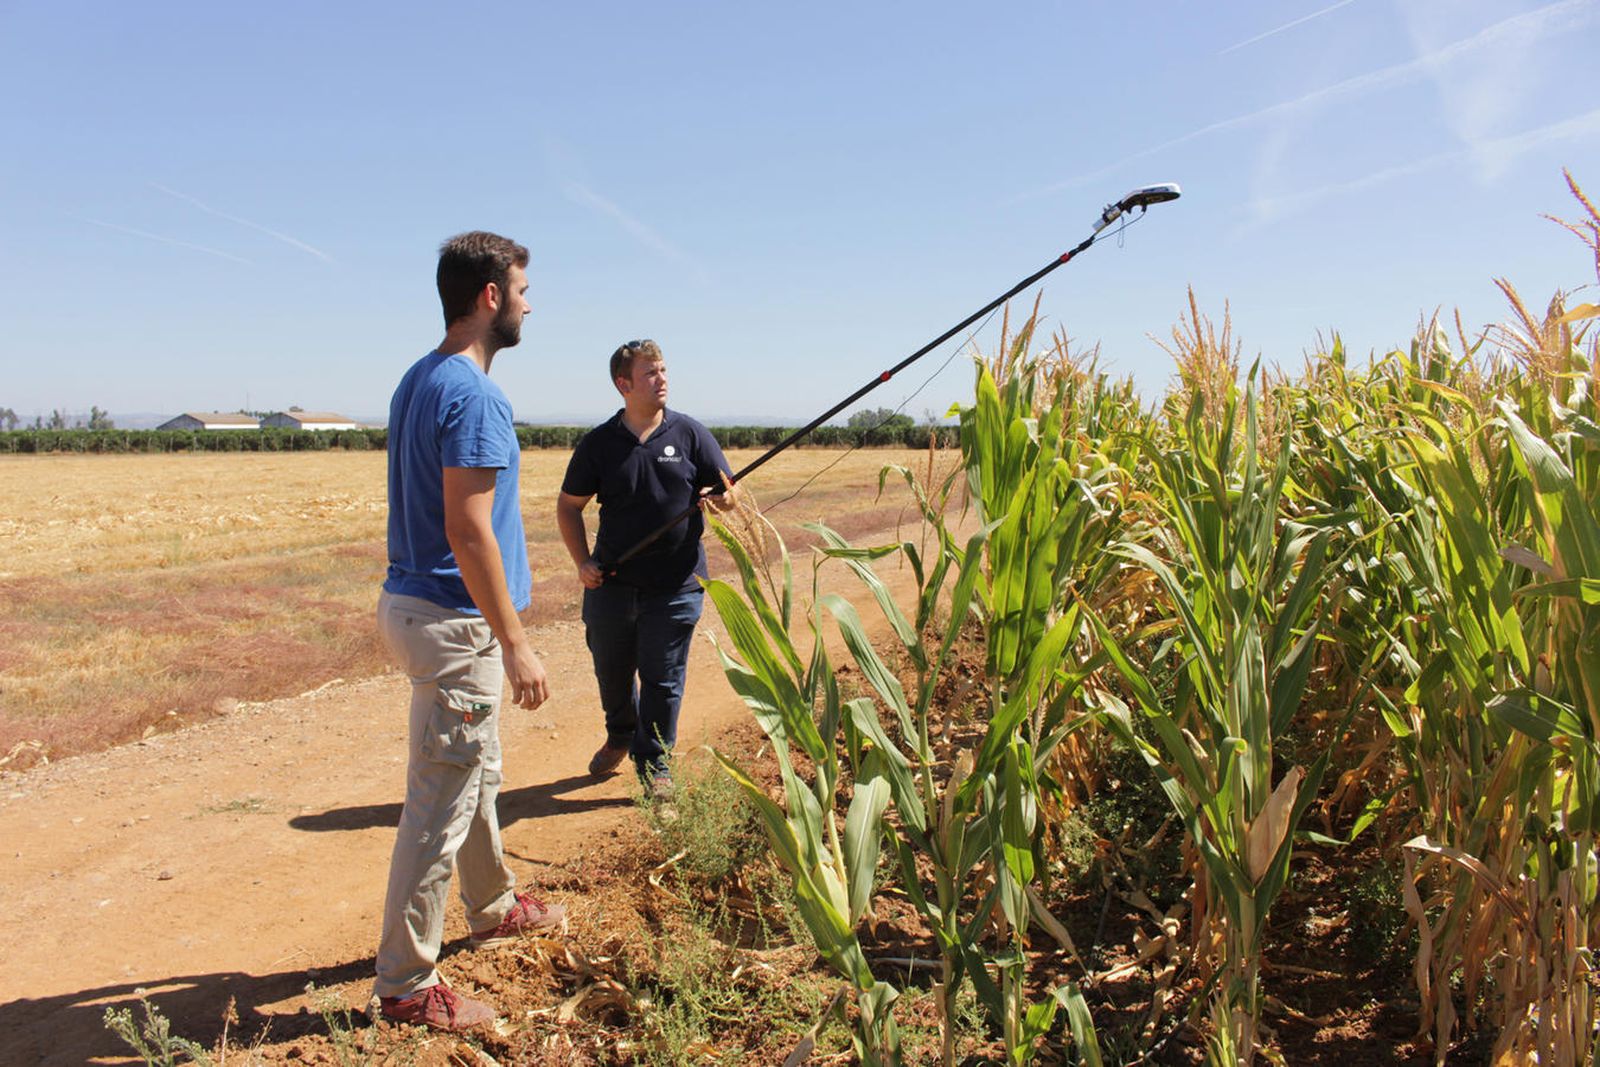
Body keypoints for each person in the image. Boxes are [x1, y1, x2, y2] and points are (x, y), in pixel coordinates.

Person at [373, 231, 565, 1033]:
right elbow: (469, 527)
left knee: (477, 764)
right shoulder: (477, 395)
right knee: (440, 801)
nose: (530, 301)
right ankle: (408, 985)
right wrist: (515, 639)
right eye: (522, 288)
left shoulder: (420, 378)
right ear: (490, 297)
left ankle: (492, 903)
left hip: (418, 607)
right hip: (455, 620)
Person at [556, 339, 737, 796]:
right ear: (624, 384)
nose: (662, 379)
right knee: (612, 673)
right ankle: (621, 733)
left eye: (663, 370)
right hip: (611, 584)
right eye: (651, 372)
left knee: (663, 677)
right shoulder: (599, 444)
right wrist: (583, 563)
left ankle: (655, 765)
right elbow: (568, 507)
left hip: (677, 585)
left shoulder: (691, 434)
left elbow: (729, 494)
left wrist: (719, 500)